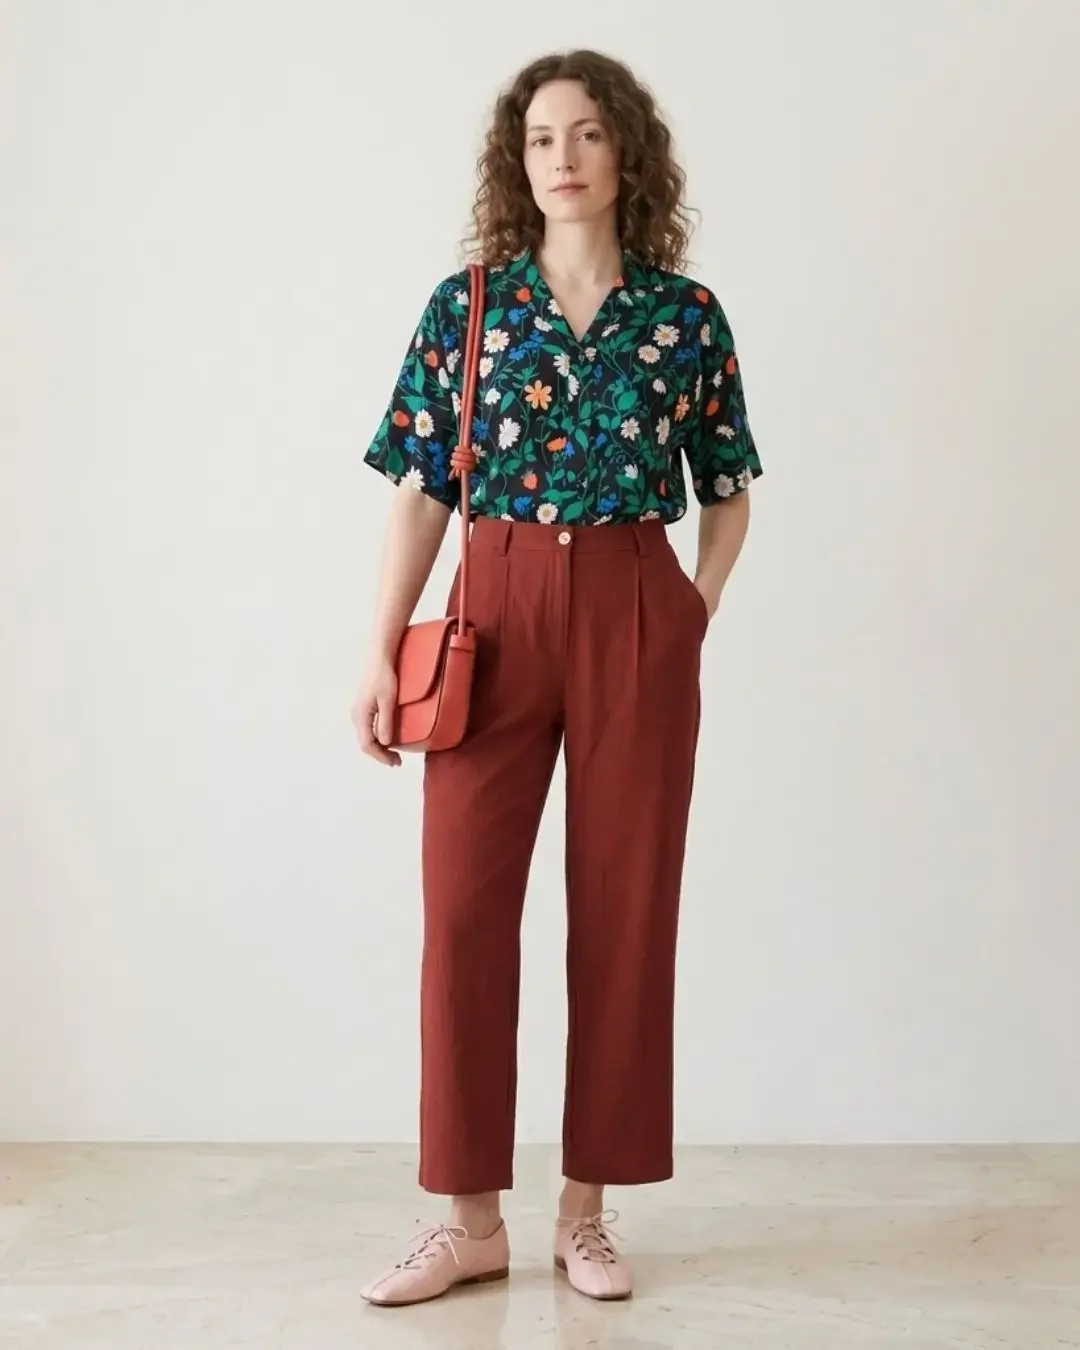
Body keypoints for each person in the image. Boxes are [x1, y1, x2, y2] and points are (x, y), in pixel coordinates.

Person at [351, 48, 762, 1307]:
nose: (564, 158)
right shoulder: (468, 305)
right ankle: (469, 1218)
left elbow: (731, 495)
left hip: (639, 603)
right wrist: (381, 640)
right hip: (496, 607)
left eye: (587, 135)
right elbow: (425, 492)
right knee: (463, 913)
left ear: (626, 154)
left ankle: (588, 1210)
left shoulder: (683, 317)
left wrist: (681, 618)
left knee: (626, 909)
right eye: (540, 139)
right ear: (515, 163)